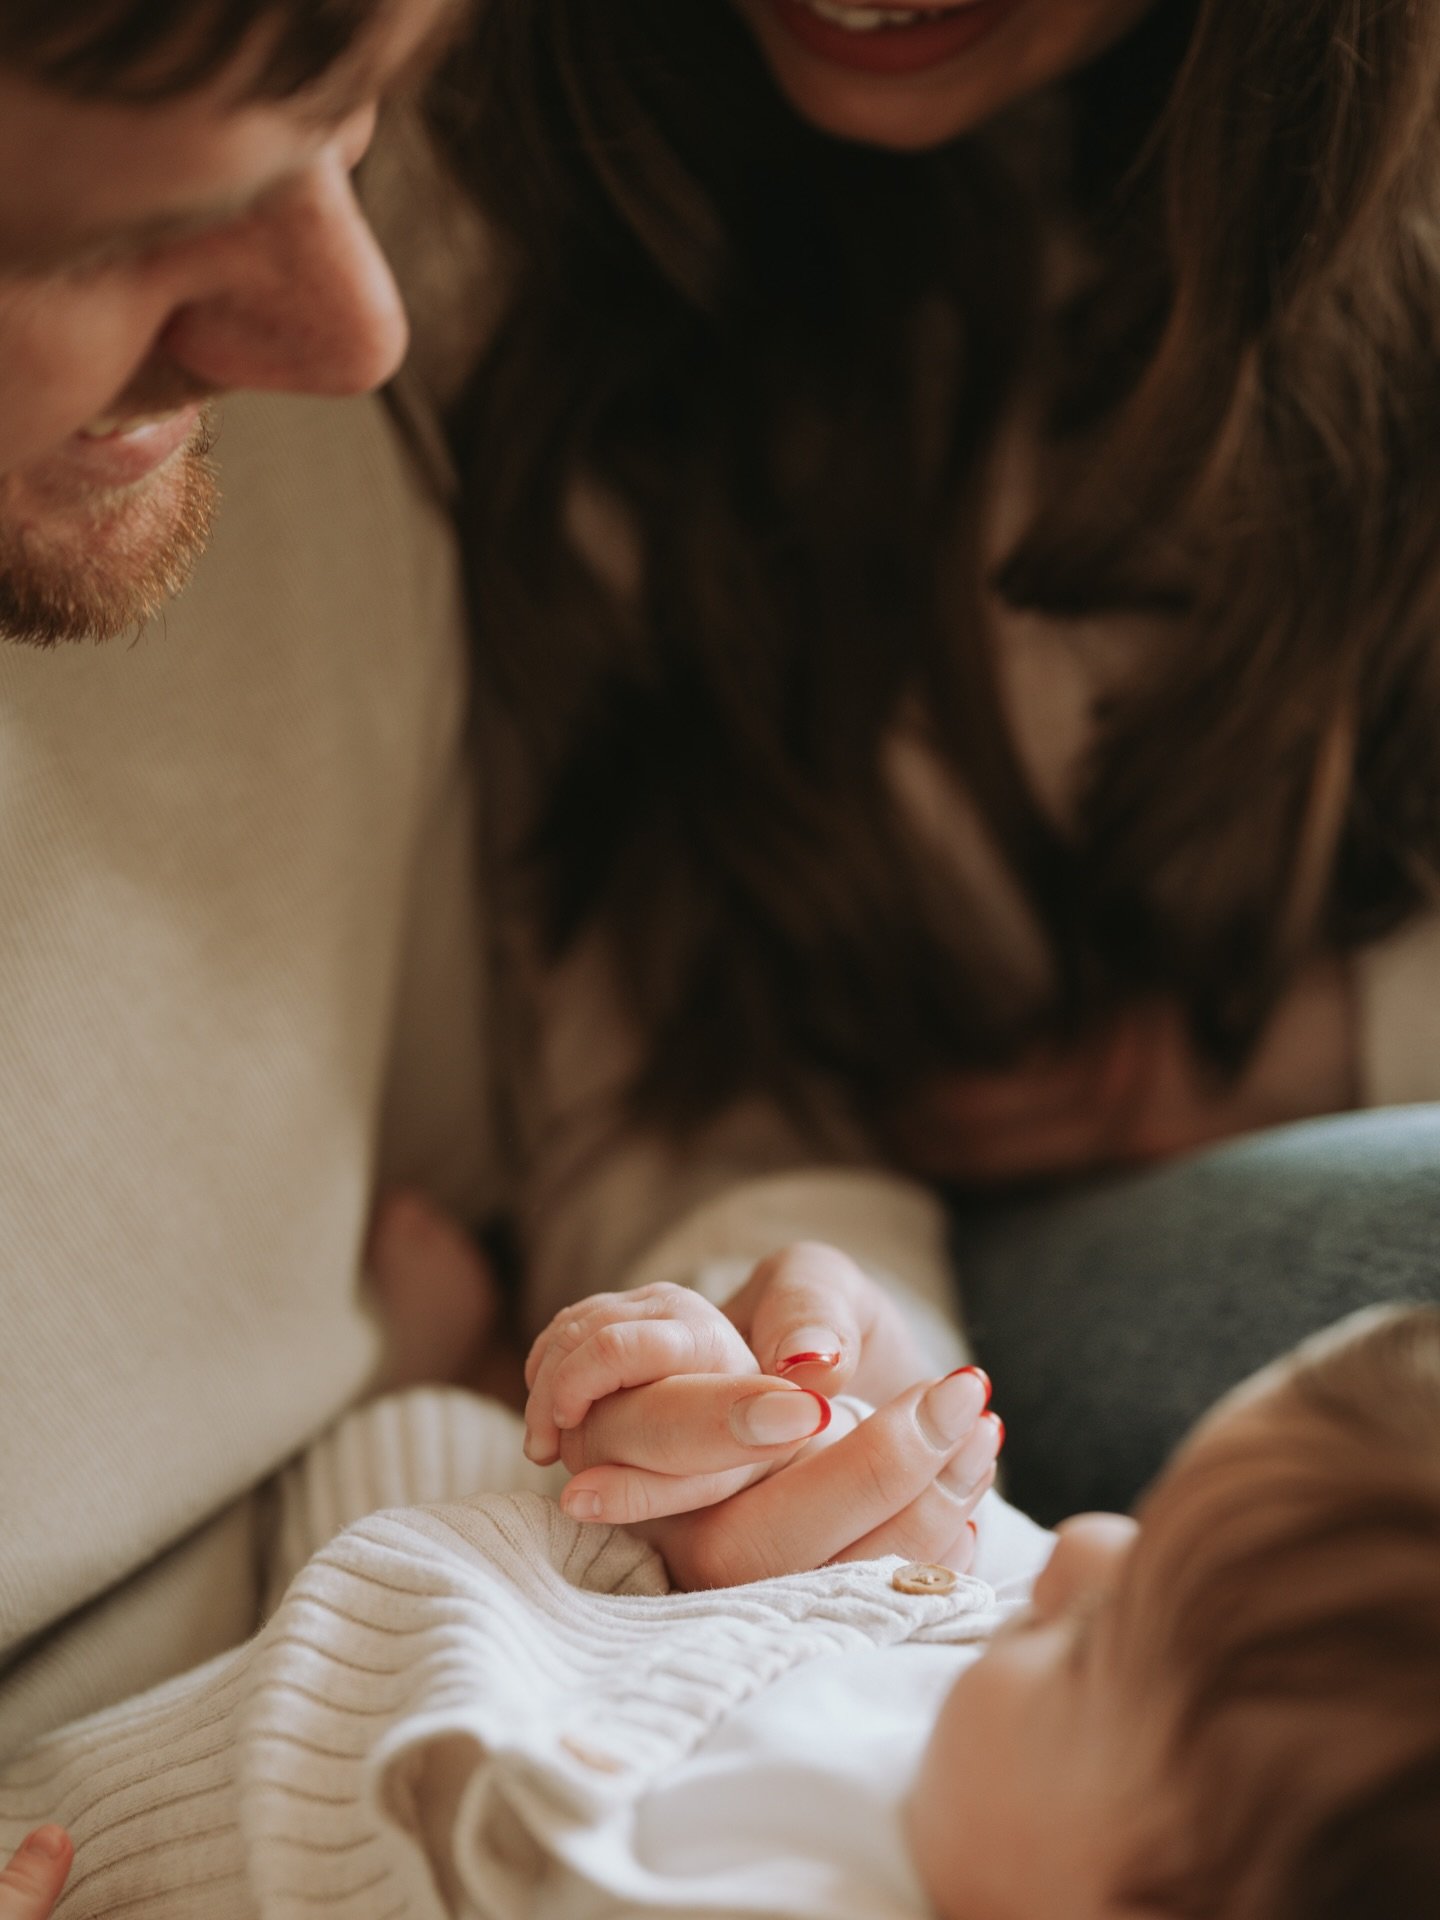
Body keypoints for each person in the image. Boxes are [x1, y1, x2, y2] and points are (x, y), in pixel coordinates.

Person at [0, 0, 966, 1895]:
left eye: (350, 122)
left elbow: (683, 1094)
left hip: (595, 1634)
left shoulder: (337, 353)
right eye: (98, 238)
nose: (348, 333)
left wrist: (793, 1405)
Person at [411, 0, 1440, 1523]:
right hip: (968, 1303)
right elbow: (668, 1093)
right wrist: (789, 1359)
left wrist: (1314, 1043)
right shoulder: (511, 251)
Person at [8, 1296, 1437, 1916]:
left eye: (1100, 1648)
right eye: (1158, 1516)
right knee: (458, 1442)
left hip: (131, 1842)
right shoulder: (1034, 1751)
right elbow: (959, 1547)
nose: (1082, 1551)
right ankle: (434, 1350)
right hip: (505, 1596)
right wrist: (764, 1416)